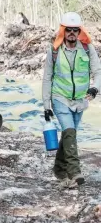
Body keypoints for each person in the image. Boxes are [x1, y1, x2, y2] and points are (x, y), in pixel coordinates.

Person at [42, 12, 101, 188]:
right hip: (60, 98)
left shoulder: (87, 48)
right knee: (69, 131)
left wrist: (95, 88)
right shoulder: (54, 50)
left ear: (80, 31)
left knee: (70, 134)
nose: (72, 33)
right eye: (69, 30)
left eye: (76, 30)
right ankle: (75, 172)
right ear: (63, 31)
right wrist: (46, 105)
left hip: (80, 101)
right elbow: (47, 78)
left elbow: (98, 72)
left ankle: (59, 169)